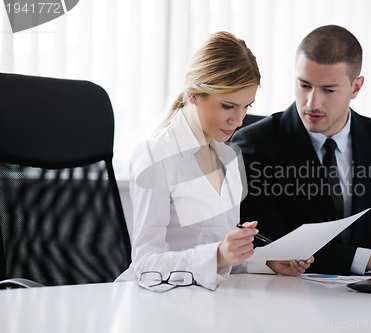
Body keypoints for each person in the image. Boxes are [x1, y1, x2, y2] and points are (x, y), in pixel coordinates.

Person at [231, 25, 371, 276]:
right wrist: (368, 260)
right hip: (290, 296)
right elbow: (269, 242)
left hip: (365, 301)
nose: (312, 103)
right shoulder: (255, 143)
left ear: (356, 87)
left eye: (328, 90)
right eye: (304, 85)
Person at [116, 31, 313, 286]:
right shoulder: (156, 156)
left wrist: (268, 262)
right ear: (193, 95)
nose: (239, 120)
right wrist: (218, 255)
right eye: (228, 106)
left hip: (206, 302)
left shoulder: (228, 157)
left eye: (247, 107)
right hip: (157, 304)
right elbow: (145, 264)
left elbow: (219, 257)